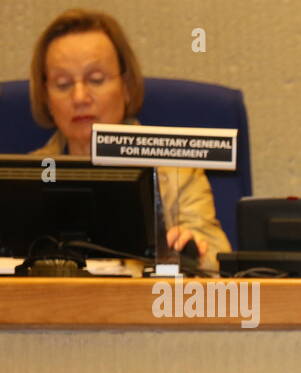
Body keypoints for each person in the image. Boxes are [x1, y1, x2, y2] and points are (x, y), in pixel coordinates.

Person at [28, 8, 231, 273]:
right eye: (63, 84)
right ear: (45, 96)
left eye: (96, 79)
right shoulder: (25, 176)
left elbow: (219, 257)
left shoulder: (177, 170)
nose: (79, 97)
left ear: (126, 87)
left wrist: (192, 251)